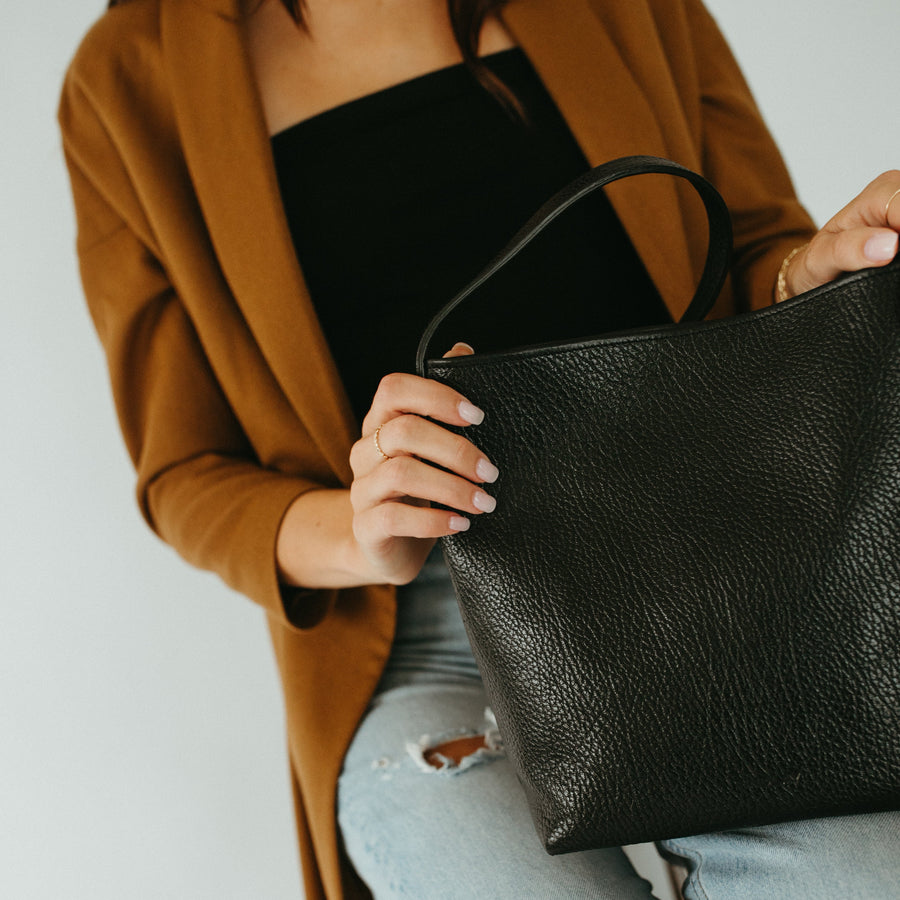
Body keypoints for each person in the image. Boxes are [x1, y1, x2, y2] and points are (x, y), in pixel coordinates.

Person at [59, 0, 900, 897]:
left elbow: (753, 248)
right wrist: (361, 531)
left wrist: (812, 276)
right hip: (428, 644)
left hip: (723, 592)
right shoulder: (130, 75)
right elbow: (185, 473)